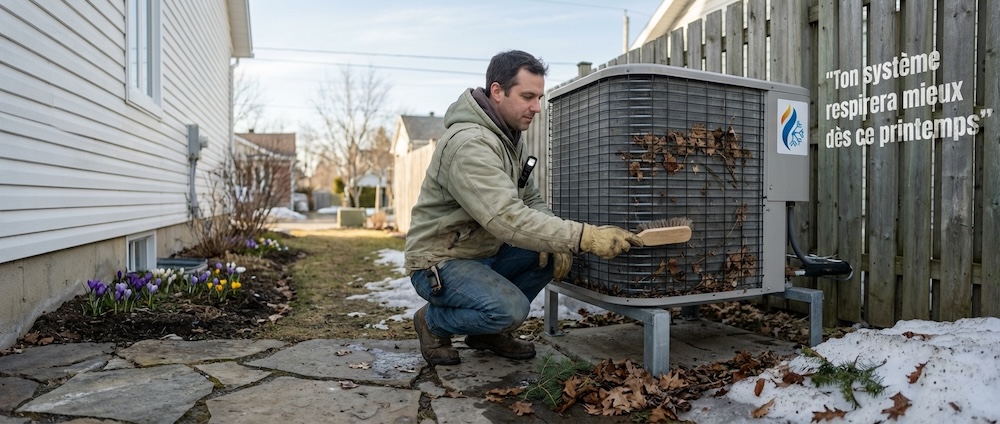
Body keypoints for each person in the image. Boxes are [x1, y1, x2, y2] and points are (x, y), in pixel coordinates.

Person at [405, 50, 642, 366]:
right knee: (511, 310)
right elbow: (505, 218)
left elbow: (530, 200)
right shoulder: (469, 144)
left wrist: (558, 242)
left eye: (539, 97)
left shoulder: (509, 140)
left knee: (549, 254)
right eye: (528, 97)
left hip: (482, 254)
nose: (537, 107)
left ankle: (487, 333)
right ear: (497, 91)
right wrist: (585, 237)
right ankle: (432, 322)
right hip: (441, 261)